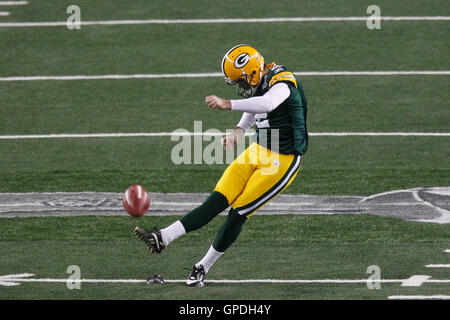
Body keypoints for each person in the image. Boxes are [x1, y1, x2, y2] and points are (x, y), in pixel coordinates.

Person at [135, 44, 308, 287]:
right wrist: (239, 130)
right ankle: (162, 237)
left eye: (241, 81)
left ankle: (202, 267)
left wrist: (227, 104)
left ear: (254, 71)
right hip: (259, 149)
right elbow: (254, 103)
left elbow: (266, 103)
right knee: (216, 200)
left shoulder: (282, 82)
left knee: (238, 212)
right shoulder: (259, 81)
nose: (241, 87)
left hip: (283, 159)